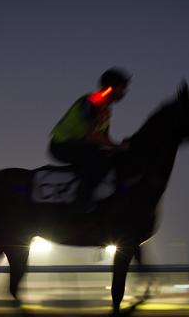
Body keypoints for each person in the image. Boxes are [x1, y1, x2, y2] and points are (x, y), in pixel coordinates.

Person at [49, 67, 131, 212]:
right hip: (61, 145)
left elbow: (104, 138)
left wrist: (117, 147)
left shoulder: (106, 108)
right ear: (112, 87)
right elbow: (91, 136)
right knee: (101, 161)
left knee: (109, 156)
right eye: (122, 88)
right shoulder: (94, 101)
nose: (124, 92)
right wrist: (118, 147)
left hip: (78, 145)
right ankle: (80, 203)